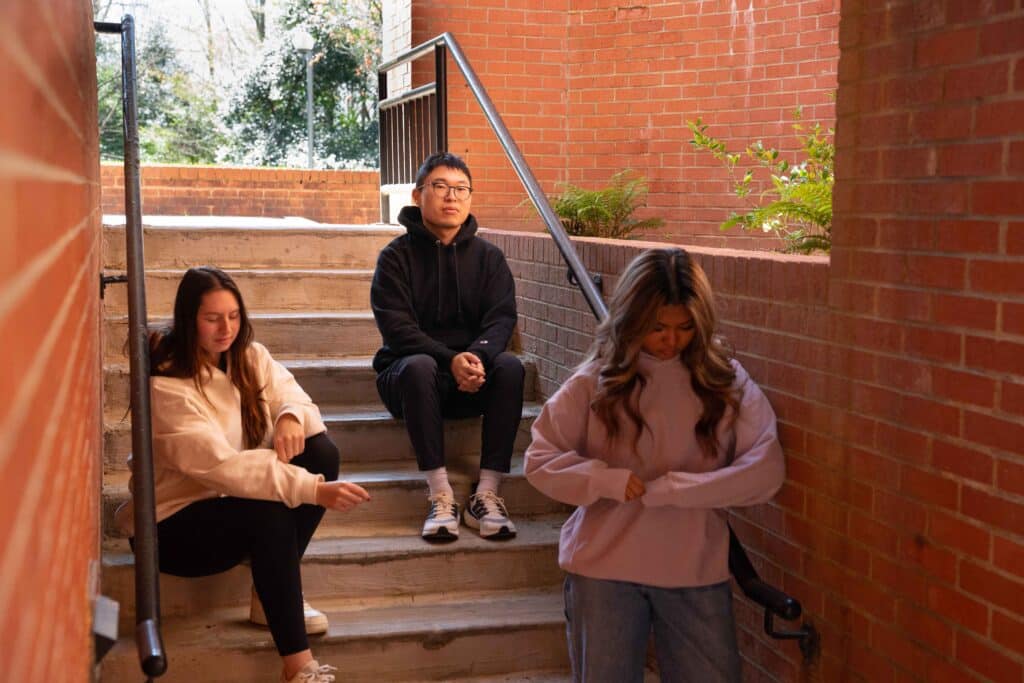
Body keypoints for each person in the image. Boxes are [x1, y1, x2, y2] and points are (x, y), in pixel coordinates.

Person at [524, 249, 785, 683]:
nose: (670, 340)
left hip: (694, 568)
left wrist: (679, 489)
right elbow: (540, 459)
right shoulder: (595, 381)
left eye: (684, 328)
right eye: (657, 327)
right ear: (632, 318)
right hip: (603, 569)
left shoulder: (726, 381)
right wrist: (603, 480)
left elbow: (766, 470)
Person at [115, 266, 371, 683]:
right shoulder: (166, 384)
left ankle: (264, 594)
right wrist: (311, 490)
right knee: (268, 512)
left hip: (226, 505)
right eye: (212, 318)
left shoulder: (249, 356)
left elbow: (293, 394)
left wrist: (289, 416)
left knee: (321, 451)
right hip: (172, 526)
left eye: (233, 316)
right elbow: (223, 467)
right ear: (188, 319)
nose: (225, 328)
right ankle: (300, 668)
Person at [371, 151, 525, 542]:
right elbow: (397, 329)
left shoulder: (489, 258)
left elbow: (502, 318)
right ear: (418, 194)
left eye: (461, 189)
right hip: (410, 381)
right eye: (440, 187)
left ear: (470, 198)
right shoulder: (394, 258)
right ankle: (441, 495)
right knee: (419, 364)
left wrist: (476, 358)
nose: (451, 197)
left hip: (470, 379)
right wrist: (449, 359)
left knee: (510, 367)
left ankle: (486, 493)